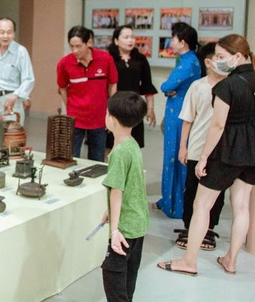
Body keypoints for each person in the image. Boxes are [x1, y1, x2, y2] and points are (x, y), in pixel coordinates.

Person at [158, 34, 255, 276]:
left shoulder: (227, 86)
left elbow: (218, 126)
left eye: (222, 57)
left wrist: (202, 158)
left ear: (238, 56)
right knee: (241, 205)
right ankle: (231, 260)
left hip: (227, 152)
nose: (217, 61)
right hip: (252, 152)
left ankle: (189, 261)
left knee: (202, 204)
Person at [175, 42, 226, 251]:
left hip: (221, 150)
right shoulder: (197, 86)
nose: (224, 62)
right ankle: (189, 226)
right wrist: (182, 147)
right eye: (219, 57)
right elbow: (187, 119)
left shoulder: (230, 86)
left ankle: (209, 228)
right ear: (208, 62)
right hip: (196, 148)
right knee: (192, 189)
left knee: (217, 191)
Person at [100, 91, 149, 302]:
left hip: (126, 227)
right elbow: (131, 185)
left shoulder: (118, 153)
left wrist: (115, 230)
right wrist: (109, 211)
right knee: (129, 275)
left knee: (113, 275)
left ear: (111, 119)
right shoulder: (132, 145)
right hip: (138, 222)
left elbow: (117, 191)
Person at [156, 23, 202, 218]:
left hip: (180, 115)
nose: (171, 42)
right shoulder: (188, 60)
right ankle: (170, 200)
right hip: (180, 111)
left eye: (173, 39)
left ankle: (175, 205)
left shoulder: (187, 63)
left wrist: (168, 89)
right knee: (174, 158)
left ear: (182, 42)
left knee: (175, 158)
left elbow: (167, 85)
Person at [57, 25, 118, 162]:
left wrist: (110, 111)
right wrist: (70, 107)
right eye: (71, 46)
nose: (75, 50)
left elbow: (113, 84)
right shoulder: (64, 63)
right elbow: (62, 88)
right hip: (75, 119)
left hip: (99, 118)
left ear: (89, 43)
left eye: (78, 46)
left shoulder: (105, 59)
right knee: (71, 158)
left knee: (97, 160)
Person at [0, 17, 35, 135]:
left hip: (12, 100)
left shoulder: (21, 51)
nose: (5, 36)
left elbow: (29, 79)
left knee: (11, 138)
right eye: (2, 32)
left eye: (9, 32)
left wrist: (15, 96)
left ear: (14, 34)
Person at [106, 25, 157, 151]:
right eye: (126, 37)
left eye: (132, 37)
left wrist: (150, 108)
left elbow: (147, 85)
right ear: (116, 41)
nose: (130, 40)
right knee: (111, 145)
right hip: (115, 107)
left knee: (133, 145)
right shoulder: (109, 59)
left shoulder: (140, 59)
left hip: (134, 106)